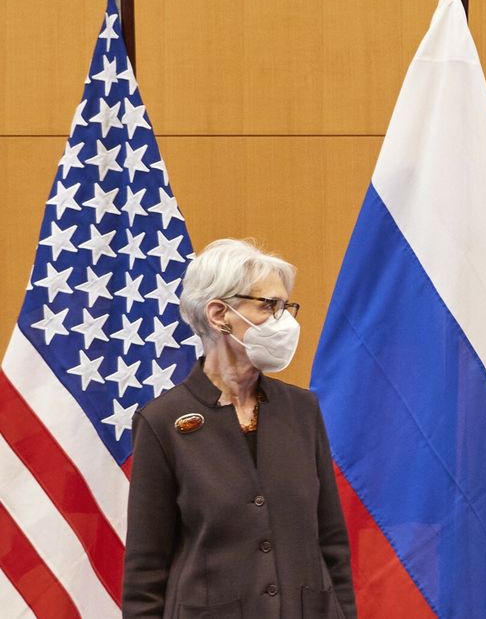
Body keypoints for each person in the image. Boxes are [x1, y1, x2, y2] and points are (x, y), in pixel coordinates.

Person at [123, 239, 356, 618]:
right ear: (219, 314)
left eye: (286, 306)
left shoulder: (302, 410)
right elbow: (145, 569)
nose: (285, 320)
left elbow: (331, 544)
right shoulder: (162, 421)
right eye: (269, 305)